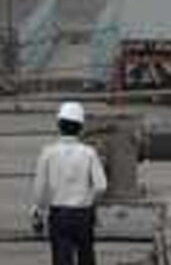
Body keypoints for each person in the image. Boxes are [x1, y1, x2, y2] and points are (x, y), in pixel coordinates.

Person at [31, 101, 108, 265]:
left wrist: (37, 210)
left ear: (59, 125)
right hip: (83, 215)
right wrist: (90, 202)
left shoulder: (48, 152)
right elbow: (101, 186)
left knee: (61, 258)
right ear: (81, 127)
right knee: (86, 256)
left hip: (59, 215)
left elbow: (39, 188)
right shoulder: (89, 153)